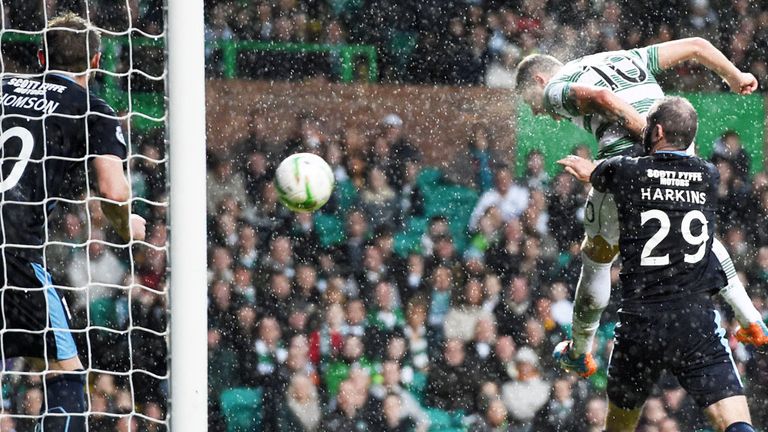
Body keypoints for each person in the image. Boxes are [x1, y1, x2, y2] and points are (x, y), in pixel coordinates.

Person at [516, 37, 760, 372]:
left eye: (528, 100)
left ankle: (579, 352)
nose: (534, 110)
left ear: (539, 81)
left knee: (597, 257)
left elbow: (604, 99)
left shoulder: (554, 89)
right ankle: (752, 322)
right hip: (681, 154)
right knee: (699, 236)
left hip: (634, 159)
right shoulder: (626, 57)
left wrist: (650, 144)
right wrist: (734, 76)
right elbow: (697, 46)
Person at [557, 97, 766, 432]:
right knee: (736, 424)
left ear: (655, 131)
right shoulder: (708, 175)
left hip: (640, 323)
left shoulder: (626, 170)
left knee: (619, 428)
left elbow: (595, 172)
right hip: (694, 321)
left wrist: (586, 168)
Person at [0, 12, 146, 432]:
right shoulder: (92, 109)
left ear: (42, 55)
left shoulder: (4, 86)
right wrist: (125, 225)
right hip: (12, 251)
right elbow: (114, 191)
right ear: (96, 62)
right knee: (65, 371)